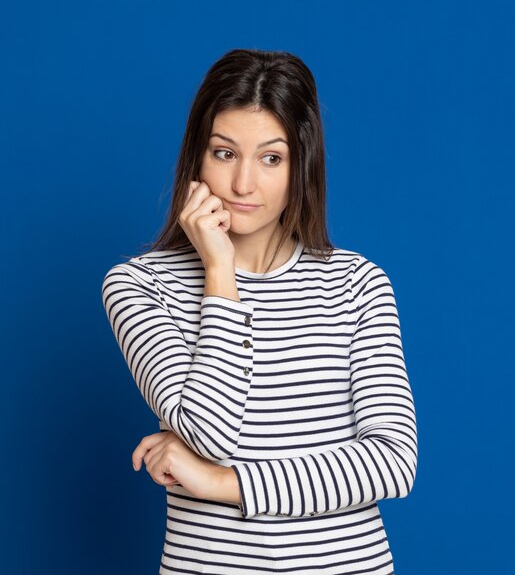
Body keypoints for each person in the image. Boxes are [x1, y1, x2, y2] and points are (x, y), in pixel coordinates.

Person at [101, 48, 418, 574]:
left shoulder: (356, 284)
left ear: (301, 166)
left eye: (271, 158)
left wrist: (224, 484)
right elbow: (211, 433)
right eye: (225, 153)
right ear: (196, 158)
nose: (243, 184)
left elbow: (392, 462)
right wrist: (220, 273)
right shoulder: (140, 286)